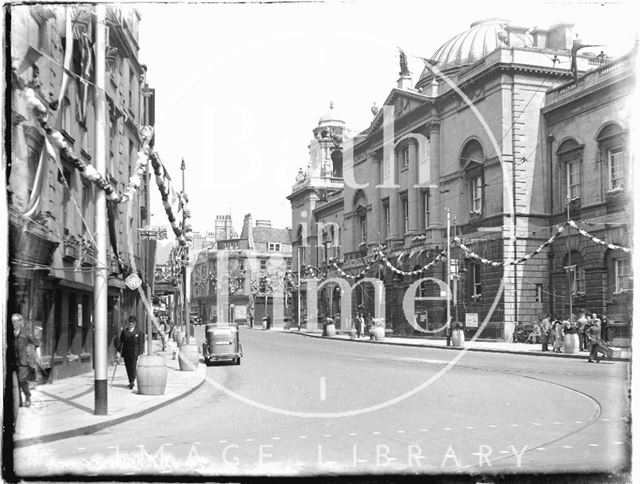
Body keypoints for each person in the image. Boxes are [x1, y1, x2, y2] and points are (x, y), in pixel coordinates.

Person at [12, 314, 40, 408]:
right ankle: (18, 401)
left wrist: (33, 354)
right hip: (13, 360)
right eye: (12, 322)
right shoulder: (10, 332)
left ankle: (27, 397)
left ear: (20, 322)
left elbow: (36, 342)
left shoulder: (25, 331)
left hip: (23, 361)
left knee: (21, 379)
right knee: (14, 381)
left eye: (15, 321)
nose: (14, 323)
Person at [117, 316, 144, 389]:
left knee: (133, 367)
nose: (130, 324)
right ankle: (130, 380)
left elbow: (141, 343)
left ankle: (132, 381)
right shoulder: (124, 332)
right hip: (126, 353)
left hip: (135, 353)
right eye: (130, 322)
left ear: (135, 323)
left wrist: (141, 352)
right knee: (128, 367)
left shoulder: (139, 332)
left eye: (132, 322)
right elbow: (120, 342)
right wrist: (118, 351)